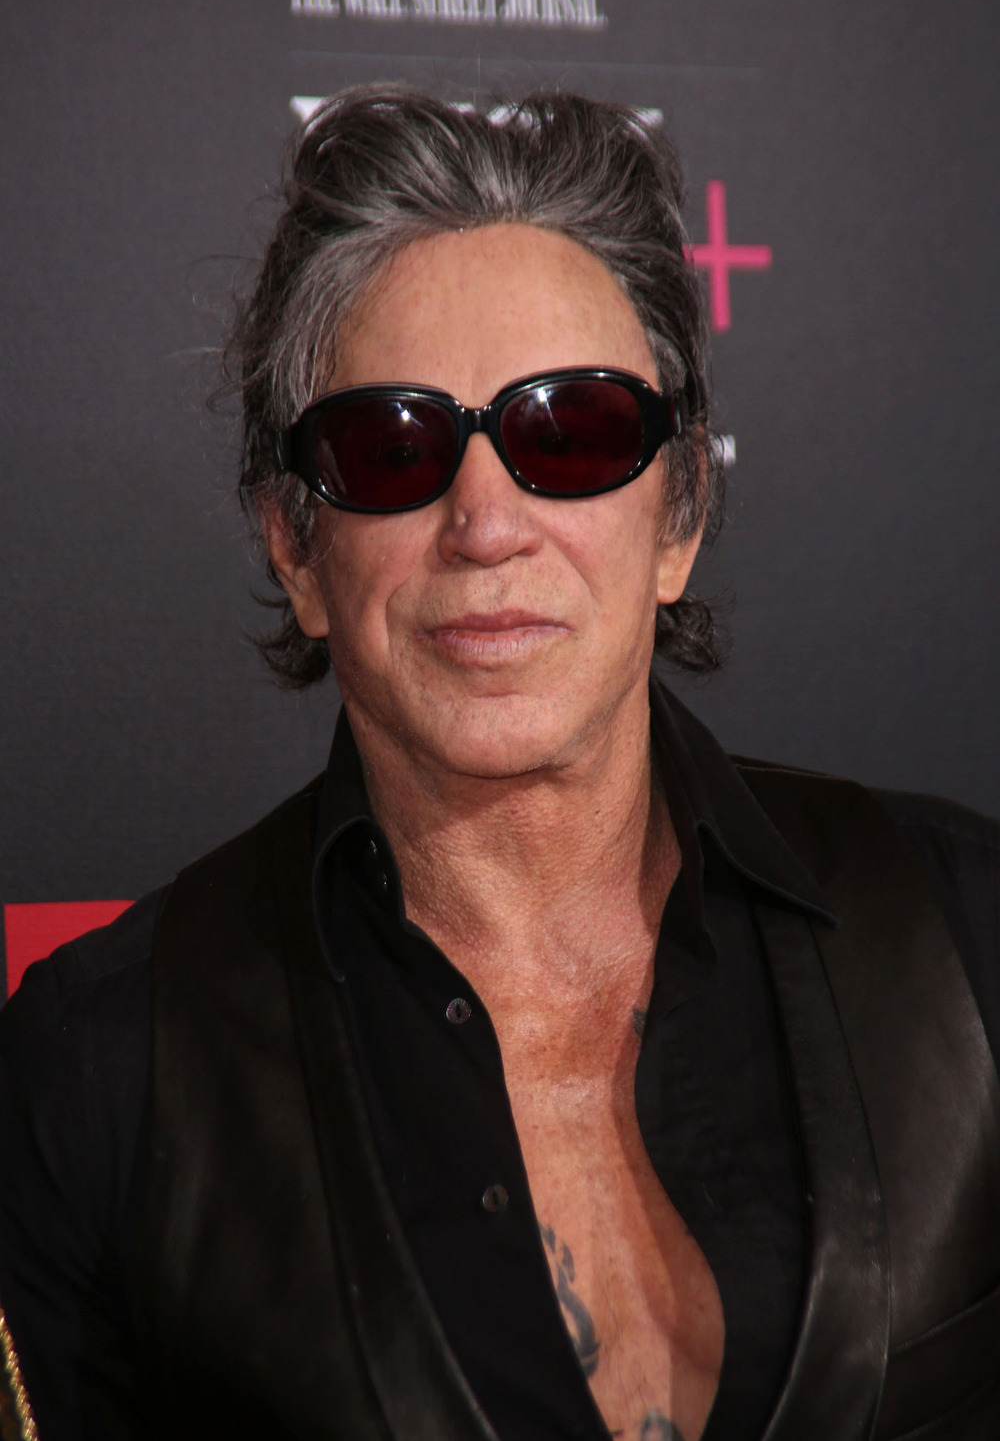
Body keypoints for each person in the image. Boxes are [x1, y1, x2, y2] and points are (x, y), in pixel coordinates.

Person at [1, 84, 999, 1441]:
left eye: (569, 433)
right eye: (392, 447)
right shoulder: (100, 1073)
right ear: (296, 548)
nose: (485, 521)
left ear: (680, 515)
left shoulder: (966, 929)